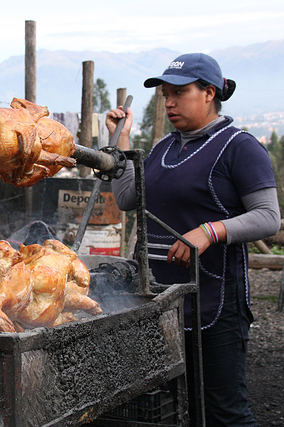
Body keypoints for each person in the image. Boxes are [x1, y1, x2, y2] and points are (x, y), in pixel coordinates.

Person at [105, 53, 280, 426]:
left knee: (223, 412)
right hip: (160, 299)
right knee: (179, 408)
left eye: (179, 92)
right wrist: (117, 140)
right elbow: (127, 199)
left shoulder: (240, 147)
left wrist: (210, 230)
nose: (168, 102)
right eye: (165, 94)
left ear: (208, 93)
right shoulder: (165, 148)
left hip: (216, 302)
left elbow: (268, 217)